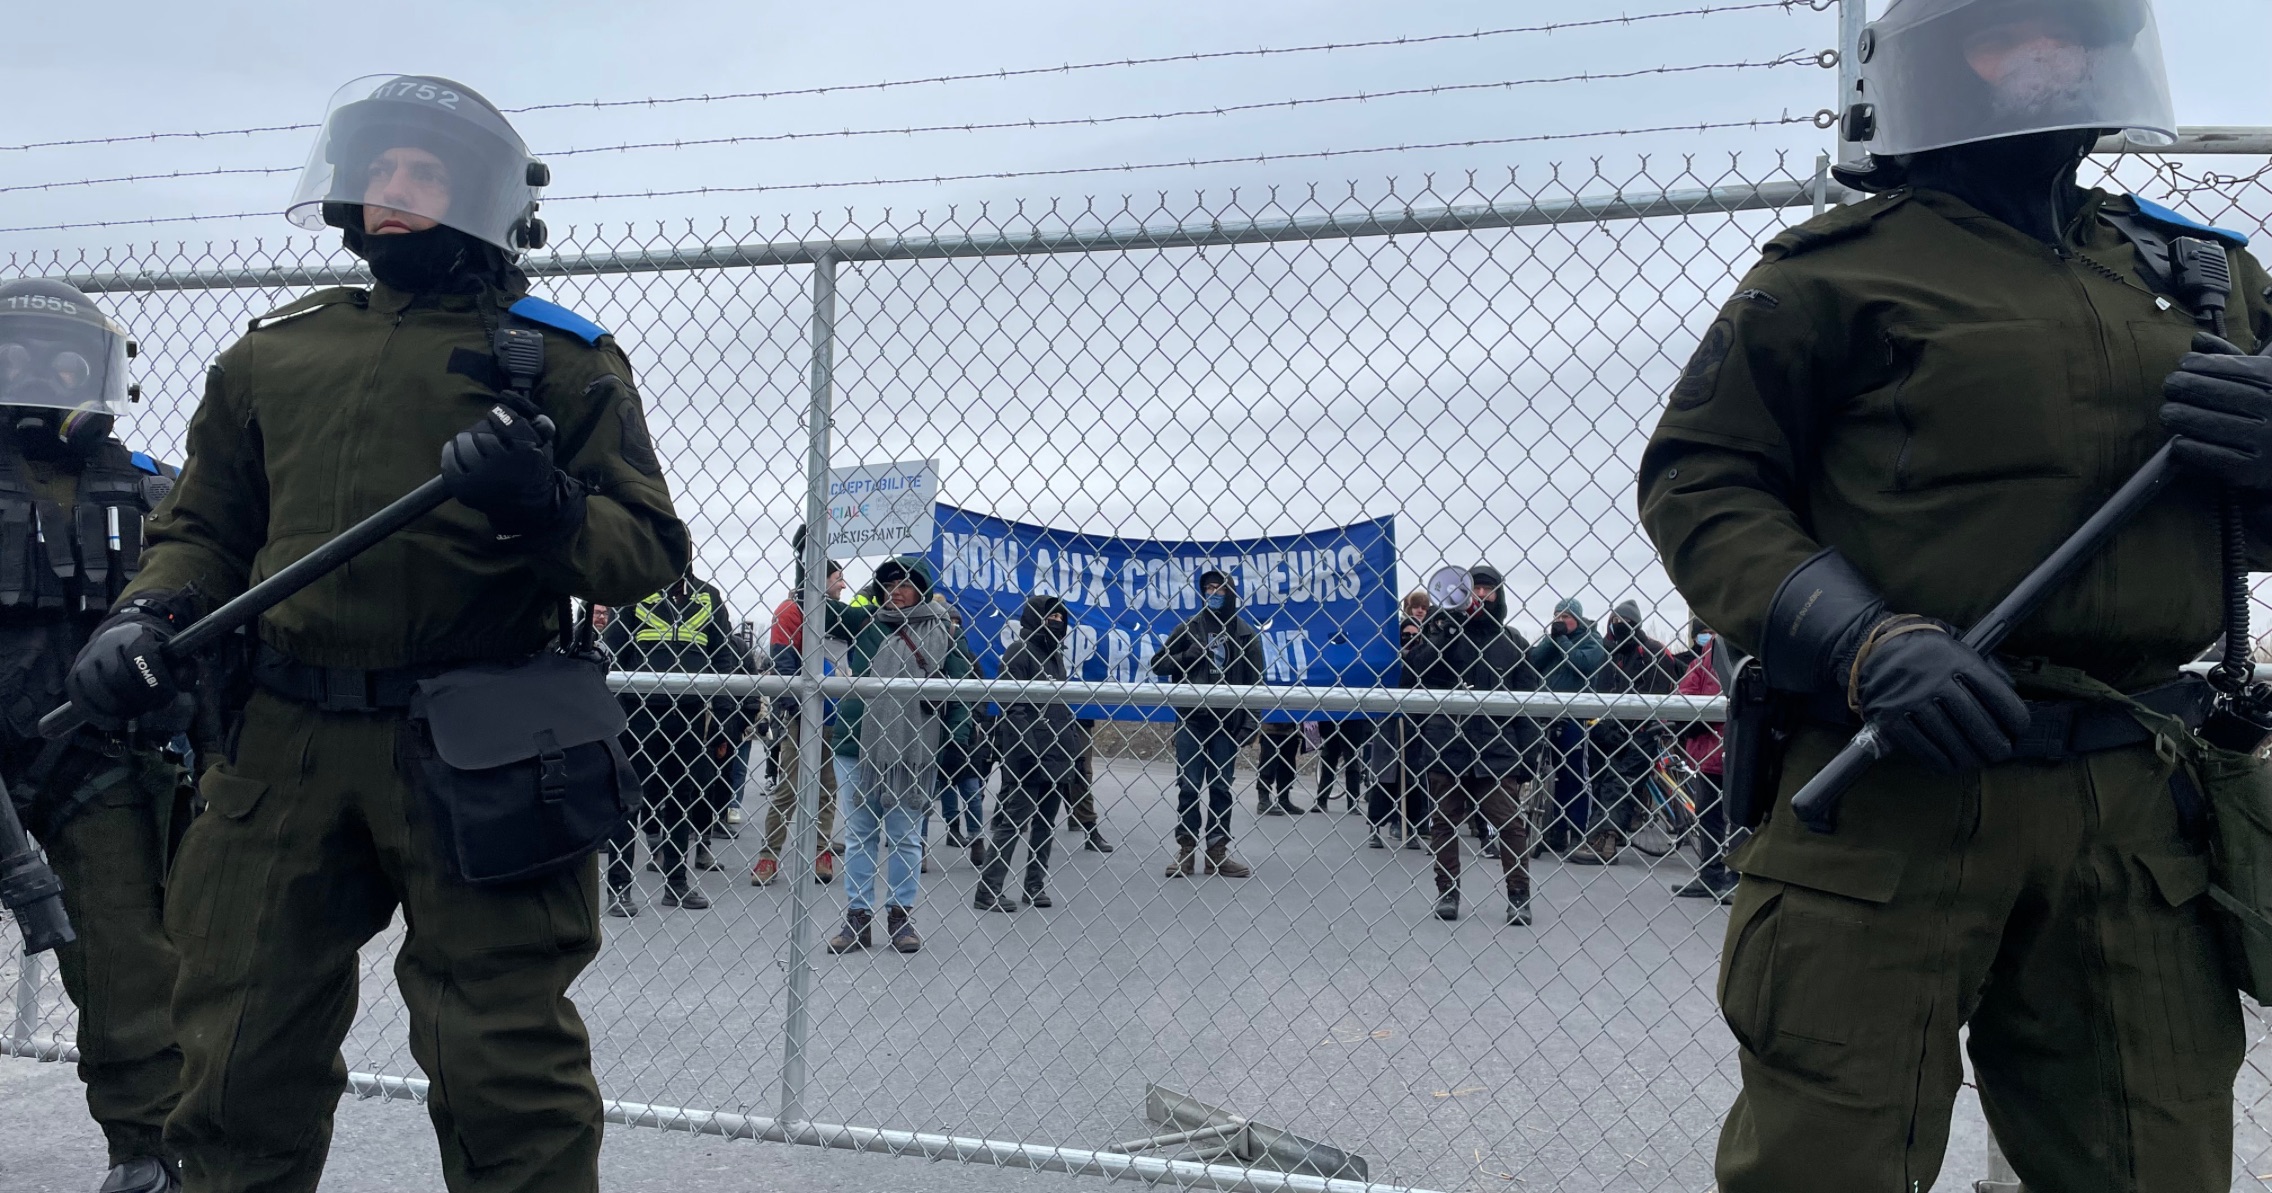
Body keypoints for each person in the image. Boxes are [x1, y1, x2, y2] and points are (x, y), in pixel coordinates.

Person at [1637, 2, 2263, 1186]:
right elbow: (1702, 479)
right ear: (1930, 71)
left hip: (2133, 801)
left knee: (2150, 1157)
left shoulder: (2205, 277)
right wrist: (1862, 638)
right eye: (2001, 38)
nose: (2045, 61)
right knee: (1826, 1161)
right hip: (1889, 786)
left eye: (2069, 37)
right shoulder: (1834, 277)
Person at [65, 75, 688, 1193]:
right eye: (379, 170)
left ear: (481, 197)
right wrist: (144, 612)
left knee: (503, 1060)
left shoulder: (556, 359)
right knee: (234, 1049)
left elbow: (646, 547)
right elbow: (204, 524)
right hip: (282, 744)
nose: (393, 191)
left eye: (424, 172)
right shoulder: (273, 354)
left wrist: (540, 503)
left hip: (477, 743)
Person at [0, 279, 186, 1193]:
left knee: (124, 966)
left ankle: (148, 1151)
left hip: (94, 762)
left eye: (68, 358)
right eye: (19, 355)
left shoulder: (155, 489)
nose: (44, 376)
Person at [824, 555, 970, 954]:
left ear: (921, 587)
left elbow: (964, 690)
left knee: (906, 839)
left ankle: (900, 915)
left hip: (914, 748)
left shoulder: (944, 630)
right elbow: (815, 609)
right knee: (860, 837)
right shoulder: (866, 622)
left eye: (905, 583)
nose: (896, 590)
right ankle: (857, 917)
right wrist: (809, 560)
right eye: (888, 583)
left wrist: (954, 739)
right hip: (857, 743)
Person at [601, 568, 756, 914]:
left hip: (689, 713)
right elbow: (614, 650)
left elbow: (723, 657)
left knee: (681, 799)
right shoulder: (636, 590)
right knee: (630, 801)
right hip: (639, 712)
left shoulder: (708, 596)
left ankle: (677, 883)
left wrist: (722, 715)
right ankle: (619, 888)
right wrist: (616, 710)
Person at [1406, 565, 1541, 925]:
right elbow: (1412, 676)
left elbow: (1530, 705)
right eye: (1475, 589)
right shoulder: (1443, 635)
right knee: (1444, 823)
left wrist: (1526, 758)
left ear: (1499, 596)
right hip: (1447, 746)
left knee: (1511, 824)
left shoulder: (1511, 642)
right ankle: (1447, 893)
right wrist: (1442, 635)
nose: (1481, 596)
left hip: (1497, 749)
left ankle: (1519, 896)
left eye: (1488, 590)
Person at [1150, 569, 1263, 878]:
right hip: (1192, 720)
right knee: (1188, 786)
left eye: (1220, 588)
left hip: (1227, 723)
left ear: (1231, 592)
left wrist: (1250, 724)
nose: (1214, 592)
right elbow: (1157, 664)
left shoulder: (1245, 633)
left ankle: (1216, 851)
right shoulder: (1188, 628)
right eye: (1209, 588)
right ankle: (1186, 850)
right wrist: (1187, 654)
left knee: (1221, 788)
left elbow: (1258, 684)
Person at [975, 595, 1084, 911]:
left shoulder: (1056, 657)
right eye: (1050, 616)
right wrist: (1030, 751)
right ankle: (988, 890)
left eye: (1060, 617)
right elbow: (1013, 707)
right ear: (1035, 617)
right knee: (1012, 823)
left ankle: (1034, 886)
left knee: (1045, 825)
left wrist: (1070, 749)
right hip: (1027, 757)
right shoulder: (1018, 653)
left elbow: (1059, 707)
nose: (1057, 622)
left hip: (1057, 754)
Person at [753, 550, 845, 886]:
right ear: (820, 579)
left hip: (836, 713)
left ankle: (821, 850)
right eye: (838, 579)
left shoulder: (840, 613)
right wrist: (797, 711)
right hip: (802, 716)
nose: (843, 586)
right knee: (789, 786)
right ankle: (768, 855)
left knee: (827, 788)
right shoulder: (790, 611)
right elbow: (783, 665)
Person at [1573, 600, 1675, 865]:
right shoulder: (1609, 655)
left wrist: (1632, 728)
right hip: (1611, 731)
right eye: (1615, 622)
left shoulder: (1653, 652)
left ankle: (1603, 840)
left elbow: (1657, 696)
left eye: (1626, 622)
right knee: (1601, 775)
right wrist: (1606, 728)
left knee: (1618, 780)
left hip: (1644, 731)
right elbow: (1601, 695)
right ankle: (1602, 833)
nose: (1619, 627)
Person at [1527, 598, 1607, 854]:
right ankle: (1555, 831)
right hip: (1547, 713)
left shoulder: (1593, 641)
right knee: (1550, 773)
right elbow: (1533, 662)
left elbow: (1583, 665)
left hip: (1575, 716)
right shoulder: (1554, 640)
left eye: (1566, 617)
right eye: (1556, 616)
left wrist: (1562, 641)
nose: (1560, 621)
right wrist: (1552, 639)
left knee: (1575, 775)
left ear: (1578, 618)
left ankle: (1579, 831)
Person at [1364, 588, 1435, 850]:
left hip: (1417, 716)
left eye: (1424, 607)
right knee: (1386, 772)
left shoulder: (1430, 643)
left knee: (1414, 772)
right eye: (1416, 606)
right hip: (1390, 717)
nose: (1419, 611)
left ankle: (1409, 824)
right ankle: (1375, 824)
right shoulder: (1390, 640)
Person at [1669, 625, 1734, 902]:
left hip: (1737, 747)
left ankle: (1738, 878)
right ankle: (1710, 876)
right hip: (1708, 752)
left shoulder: (1745, 648)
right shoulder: (1708, 653)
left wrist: (1700, 712)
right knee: (1707, 815)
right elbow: (1686, 689)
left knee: (1744, 818)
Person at [1059, 717, 1114, 853]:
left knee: (1081, 772)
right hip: (1047, 715)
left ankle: (1089, 828)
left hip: (1080, 717)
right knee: (1049, 770)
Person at [1314, 716, 1373, 814]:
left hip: (1349, 721)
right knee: (1330, 760)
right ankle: (1322, 801)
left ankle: (1352, 803)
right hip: (1335, 719)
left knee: (1350, 761)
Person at [1253, 718, 1305, 816]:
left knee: (1288, 766)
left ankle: (1284, 800)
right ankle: (1263, 800)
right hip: (1271, 729)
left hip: (1292, 728)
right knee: (1268, 764)